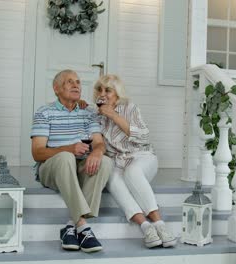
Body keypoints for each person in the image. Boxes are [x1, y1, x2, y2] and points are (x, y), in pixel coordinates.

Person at [31, 69, 112, 253]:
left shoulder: (88, 113)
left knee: (106, 162)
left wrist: (97, 152)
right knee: (66, 157)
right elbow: (37, 153)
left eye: (78, 82)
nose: (76, 85)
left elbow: (99, 143)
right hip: (52, 169)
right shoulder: (44, 113)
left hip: (79, 168)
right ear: (56, 89)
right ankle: (83, 226)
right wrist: (69, 149)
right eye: (69, 82)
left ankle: (70, 227)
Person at [93, 74, 177, 248]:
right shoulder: (96, 116)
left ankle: (160, 224)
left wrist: (113, 116)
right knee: (112, 178)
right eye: (99, 89)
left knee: (132, 171)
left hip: (142, 156)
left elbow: (144, 137)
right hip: (117, 161)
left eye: (108, 90)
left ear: (117, 93)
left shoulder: (130, 108)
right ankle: (146, 227)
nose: (103, 93)